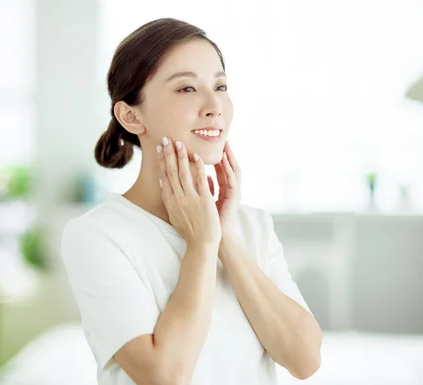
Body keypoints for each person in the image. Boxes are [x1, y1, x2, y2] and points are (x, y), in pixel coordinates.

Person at [60, 18, 322, 385]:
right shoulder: (97, 235)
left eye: (221, 85)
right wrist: (201, 244)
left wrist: (223, 237)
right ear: (131, 116)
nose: (214, 105)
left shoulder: (252, 226)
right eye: (186, 88)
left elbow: (305, 359)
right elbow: (164, 375)